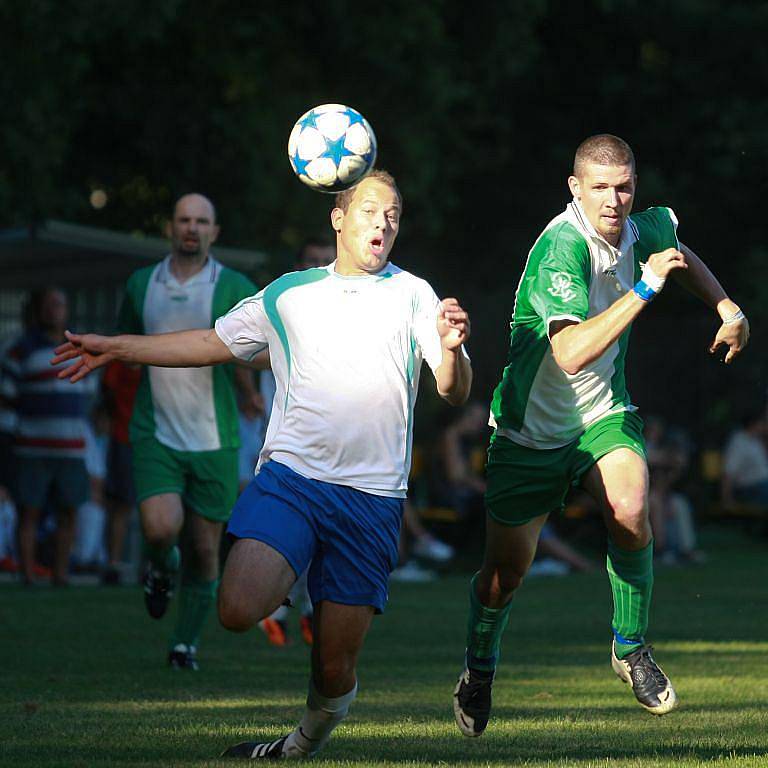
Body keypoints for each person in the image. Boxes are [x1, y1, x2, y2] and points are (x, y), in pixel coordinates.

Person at [53, 170, 472, 760]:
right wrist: (119, 346)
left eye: (393, 214)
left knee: (332, 670)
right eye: (371, 210)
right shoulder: (289, 294)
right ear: (338, 218)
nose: (383, 223)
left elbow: (453, 391)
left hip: (373, 500)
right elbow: (209, 343)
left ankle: (300, 742)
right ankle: (293, 570)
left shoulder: (417, 296)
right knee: (237, 608)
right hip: (293, 482)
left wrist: (451, 352)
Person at [453, 134, 750, 737]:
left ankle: (630, 647)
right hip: (529, 430)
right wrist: (643, 290)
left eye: (624, 187)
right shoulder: (561, 248)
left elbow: (679, 252)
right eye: (600, 188)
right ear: (575, 189)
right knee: (504, 575)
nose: (614, 200)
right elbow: (568, 353)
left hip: (601, 414)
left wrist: (726, 308)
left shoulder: (639, 229)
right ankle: (479, 667)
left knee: (632, 505)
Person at [113, 193, 258, 670]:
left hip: (215, 438)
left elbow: (246, 346)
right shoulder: (140, 285)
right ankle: (159, 567)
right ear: (170, 228)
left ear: (215, 232)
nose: (192, 228)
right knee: (160, 528)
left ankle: (184, 646)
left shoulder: (235, 285)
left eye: (202, 221)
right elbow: (124, 345)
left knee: (202, 547)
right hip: (156, 431)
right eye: (183, 220)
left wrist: (248, 388)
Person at [256, 236, 336, 647]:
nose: (321, 267)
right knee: (286, 535)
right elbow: (244, 353)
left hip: (334, 451)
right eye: (313, 259)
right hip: (286, 447)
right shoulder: (284, 308)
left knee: (320, 541)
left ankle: (302, 610)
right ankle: (274, 608)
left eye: (327, 260)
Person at [3, 288, 94, 585]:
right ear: (38, 310)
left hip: (72, 450)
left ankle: (60, 574)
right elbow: (5, 400)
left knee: (70, 512)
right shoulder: (20, 350)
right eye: (49, 304)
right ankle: (28, 575)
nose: (54, 310)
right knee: (29, 511)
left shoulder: (82, 348)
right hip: (32, 449)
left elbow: (88, 397)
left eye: (60, 304)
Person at [100, 360, 142, 584]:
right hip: (125, 435)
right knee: (120, 505)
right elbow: (107, 388)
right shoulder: (121, 355)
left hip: (150, 437)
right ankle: (114, 564)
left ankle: (151, 564)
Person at [721, 408, 768, 506]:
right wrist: (726, 498)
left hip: (763, 487)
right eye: (763, 423)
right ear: (754, 424)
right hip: (750, 490)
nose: (765, 426)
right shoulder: (739, 442)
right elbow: (729, 472)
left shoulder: (755, 441)